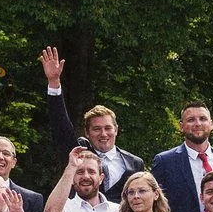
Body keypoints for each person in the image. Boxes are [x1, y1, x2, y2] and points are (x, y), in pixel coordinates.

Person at [40, 45, 140, 195]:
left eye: (108, 128)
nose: (103, 134)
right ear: (87, 133)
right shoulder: (78, 154)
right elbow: (61, 126)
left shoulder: (135, 163)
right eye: (96, 129)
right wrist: (54, 82)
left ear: (116, 130)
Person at [150, 101, 213, 212]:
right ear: (181, 126)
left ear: (211, 124)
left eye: (203, 119)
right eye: (191, 120)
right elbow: (154, 204)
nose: (197, 124)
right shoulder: (165, 162)